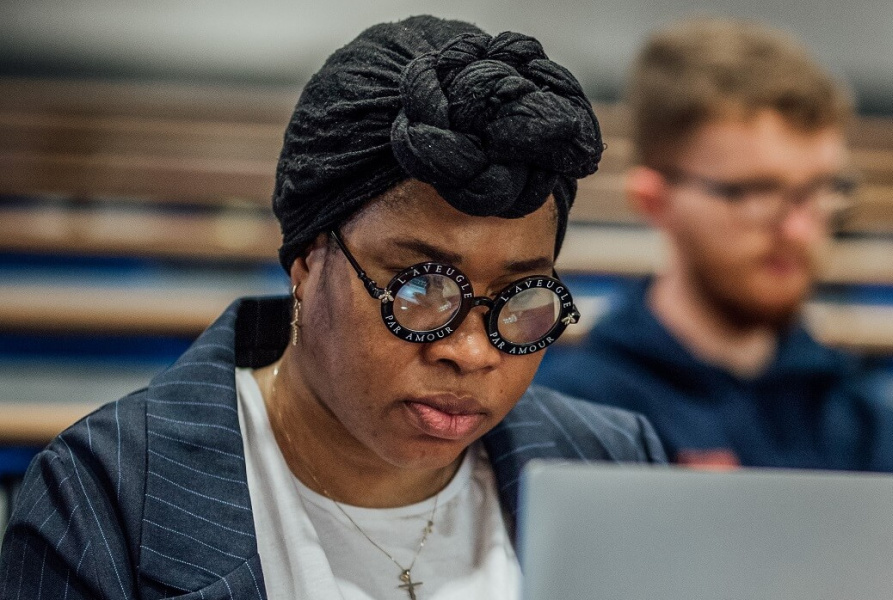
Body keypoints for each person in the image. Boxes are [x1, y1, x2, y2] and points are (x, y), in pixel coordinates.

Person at [0, 15, 664, 599]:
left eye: (522, 295)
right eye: (421, 289)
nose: (471, 352)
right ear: (308, 259)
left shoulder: (607, 462)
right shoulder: (112, 495)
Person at [539, 18, 893, 474]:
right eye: (756, 193)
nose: (800, 231)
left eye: (822, 191)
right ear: (654, 201)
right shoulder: (577, 414)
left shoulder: (859, 414)